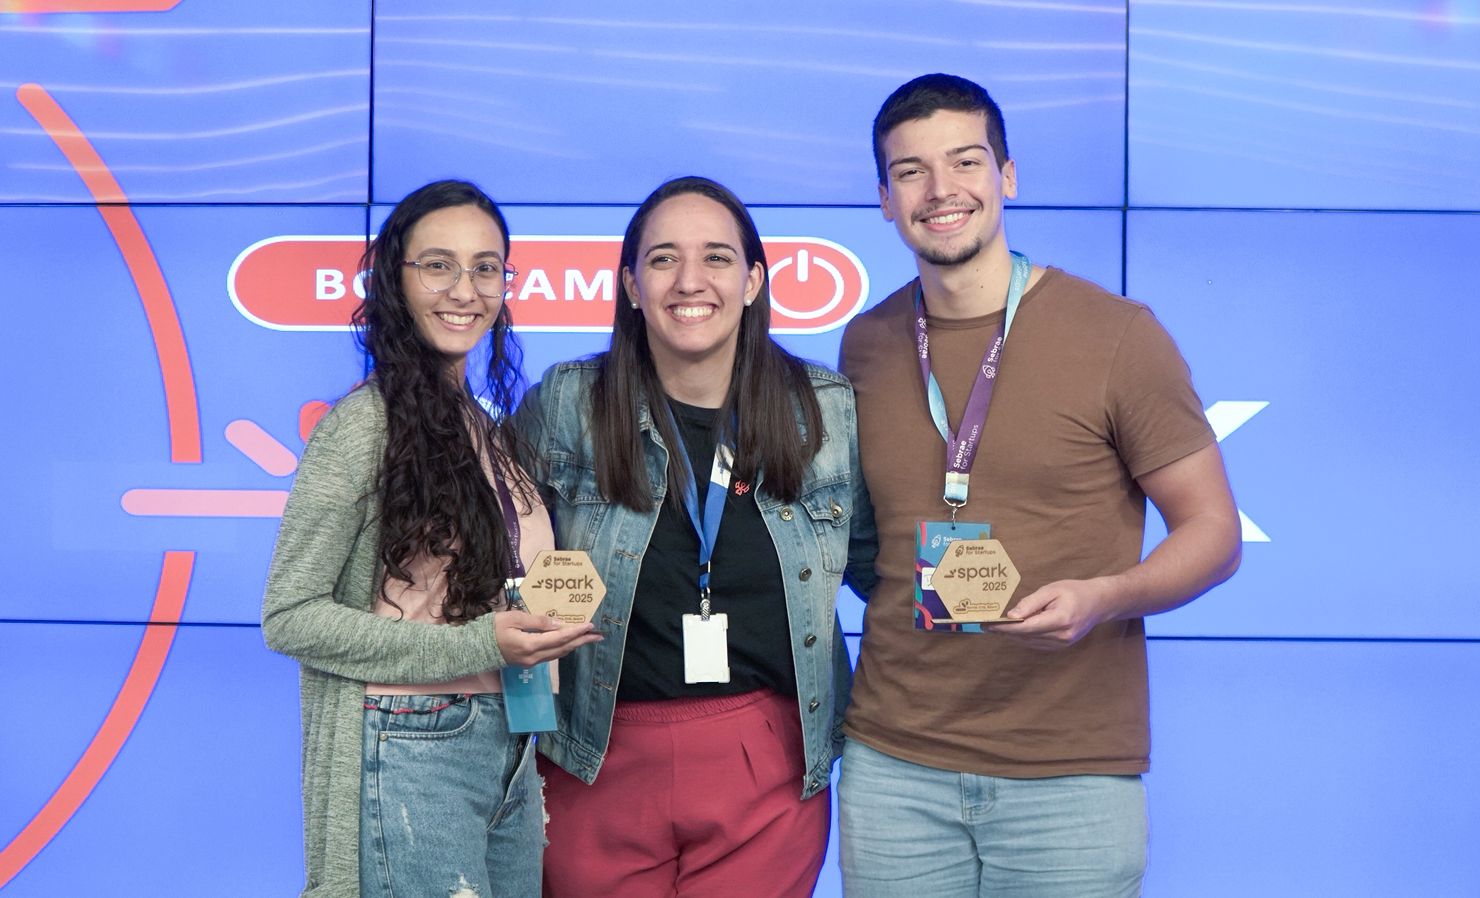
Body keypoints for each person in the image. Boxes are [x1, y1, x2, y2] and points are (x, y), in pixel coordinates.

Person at [837, 74, 1243, 896]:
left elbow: (1214, 533)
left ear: (1008, 176)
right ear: (884, 199)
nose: (941, 189)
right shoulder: (866, 343)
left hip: (1070, 774)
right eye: (911, 171)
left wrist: (1104, 596)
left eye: (965, 161)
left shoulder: (1117, 335)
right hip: (895, 766)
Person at [513, 175, 875, 898]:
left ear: (753, 281)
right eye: (662, 259)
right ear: (630, 285)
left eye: (716, 257)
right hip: (591, 755)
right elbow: (493, 559)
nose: (689, 280)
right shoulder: (567, 404)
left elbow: (882, 570)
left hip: (765, 765)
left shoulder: (824, 410)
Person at [262, 179, 601, 898]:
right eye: (438, 265)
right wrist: (479, 645)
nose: (465, 290)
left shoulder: (482, 426)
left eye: (485, 268)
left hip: (508, 741)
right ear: (395, 277)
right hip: (411, 741)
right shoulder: (364, 425)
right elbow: (290, 615)